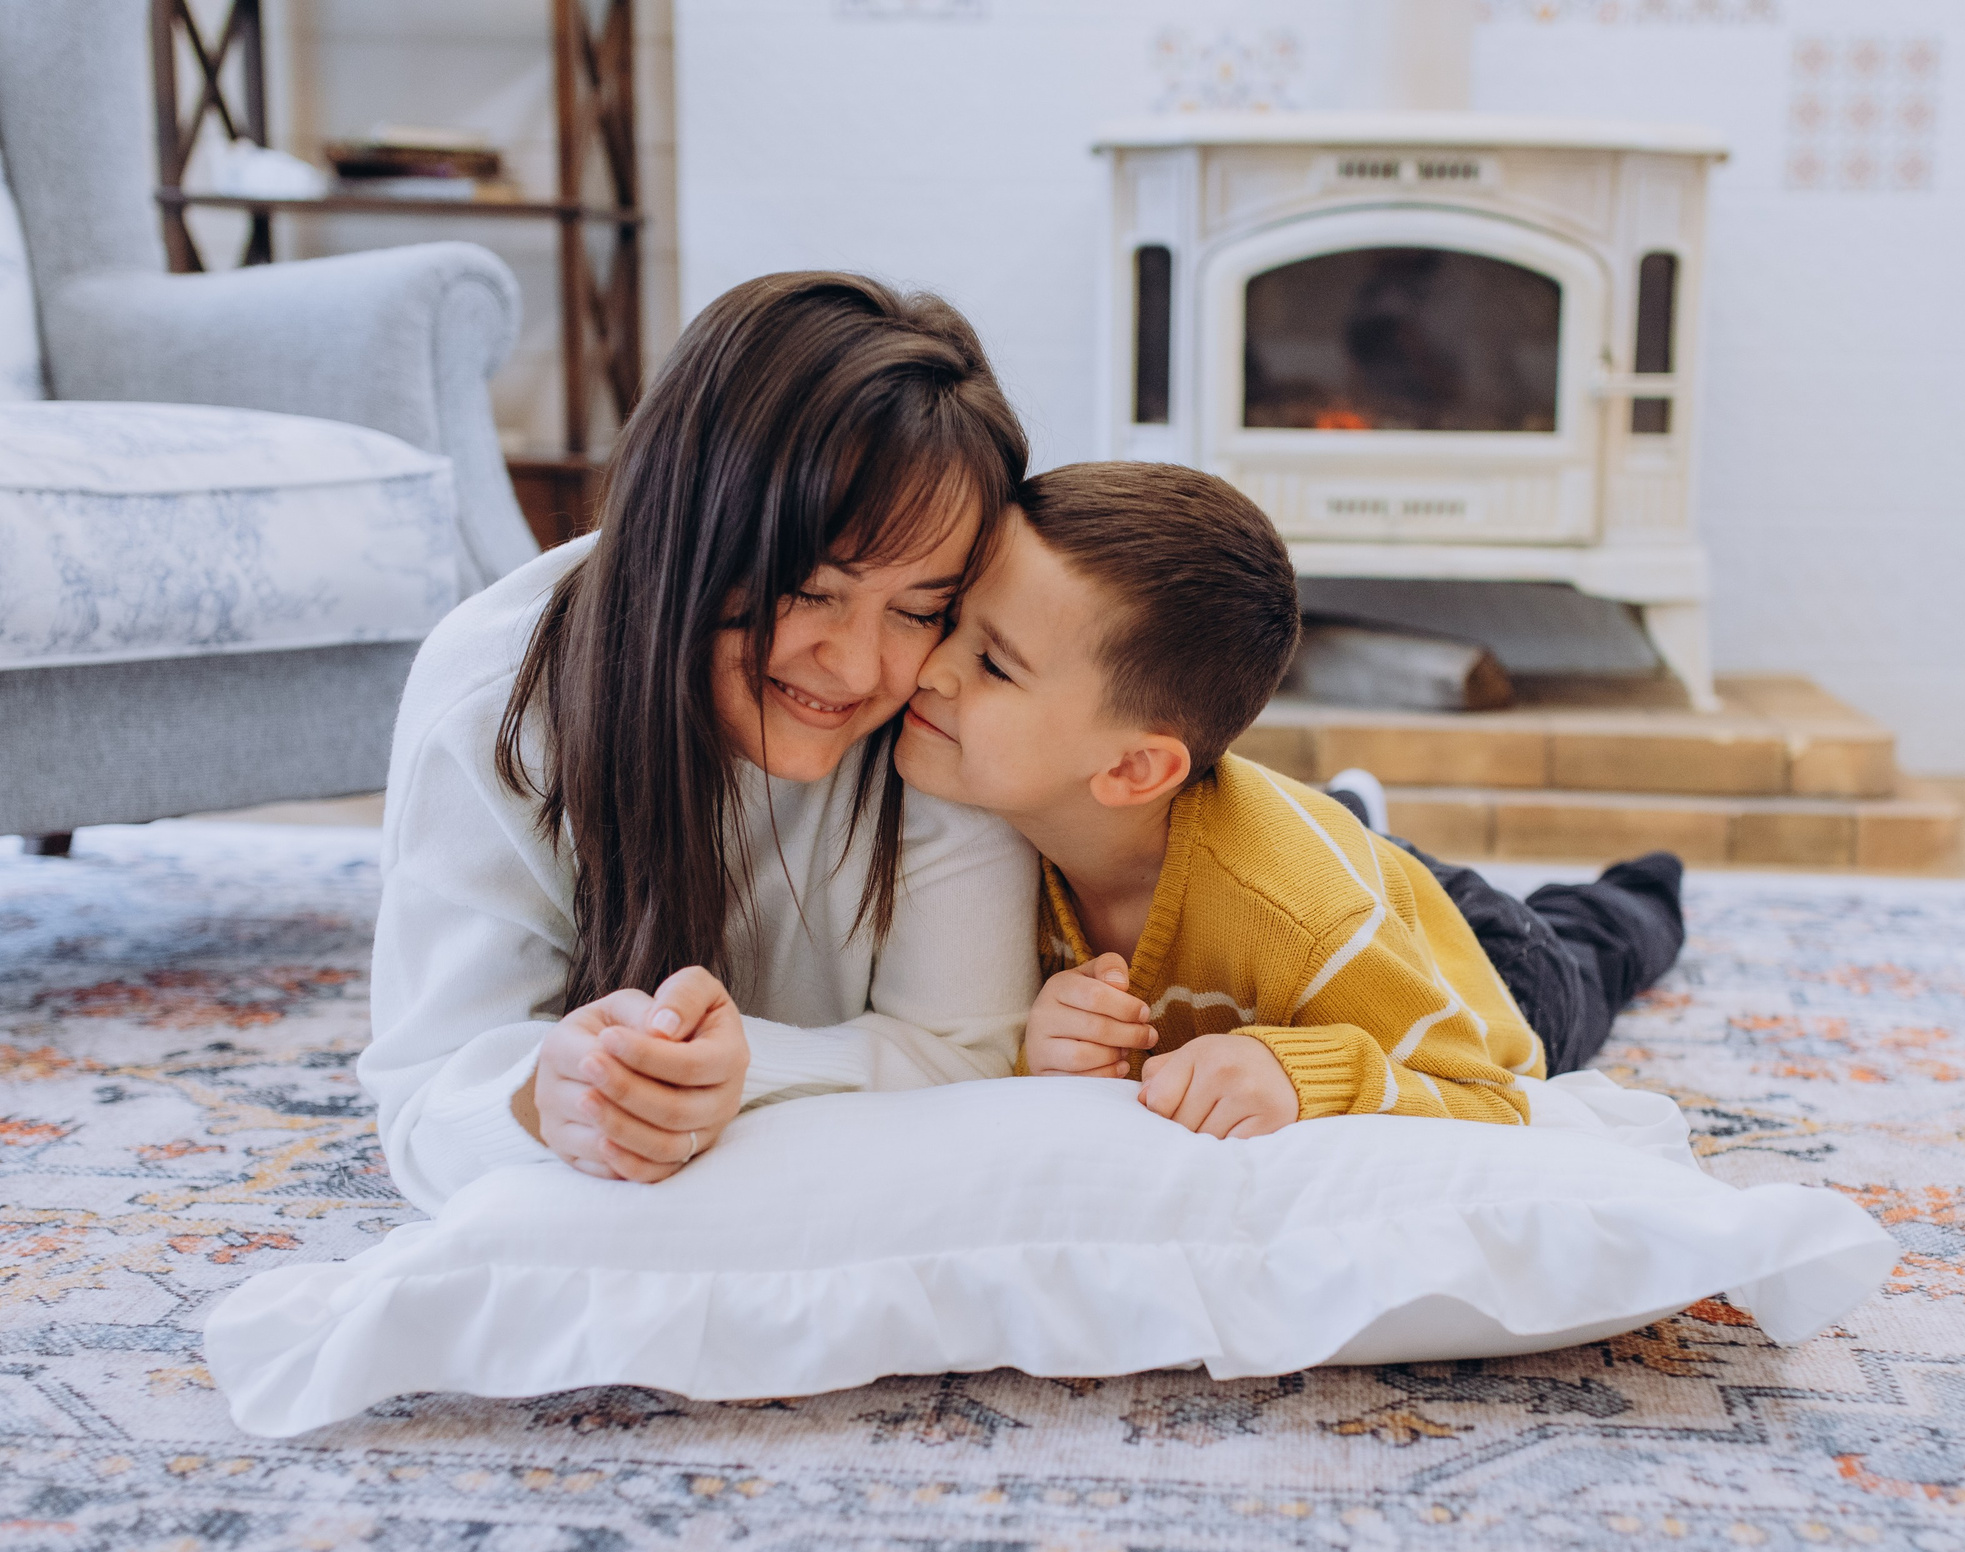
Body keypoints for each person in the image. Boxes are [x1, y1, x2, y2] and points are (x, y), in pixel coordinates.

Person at [361, 273, 1042, 1210]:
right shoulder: (496, 702)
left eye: (918, 608)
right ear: (682, 528)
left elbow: (974, 1049)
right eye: (809, 589)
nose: (853, 668)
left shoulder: (943, 698)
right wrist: (544, 1095)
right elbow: (426, 1099)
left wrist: (734, 1070)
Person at [892, 460, 1685, 1141]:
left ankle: (1642, 888)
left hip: (1486, 958)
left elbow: (1496, 1097)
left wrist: (1301, 1074)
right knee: (1335, 859)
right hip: (1304, 866)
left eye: (994, 664)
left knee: (1588, 946)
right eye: (949, 619)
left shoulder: (1306, 923)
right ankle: (1349, 821)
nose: (931, 667)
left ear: (1134, 769)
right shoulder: (994, 832)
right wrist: (1046, 1049)